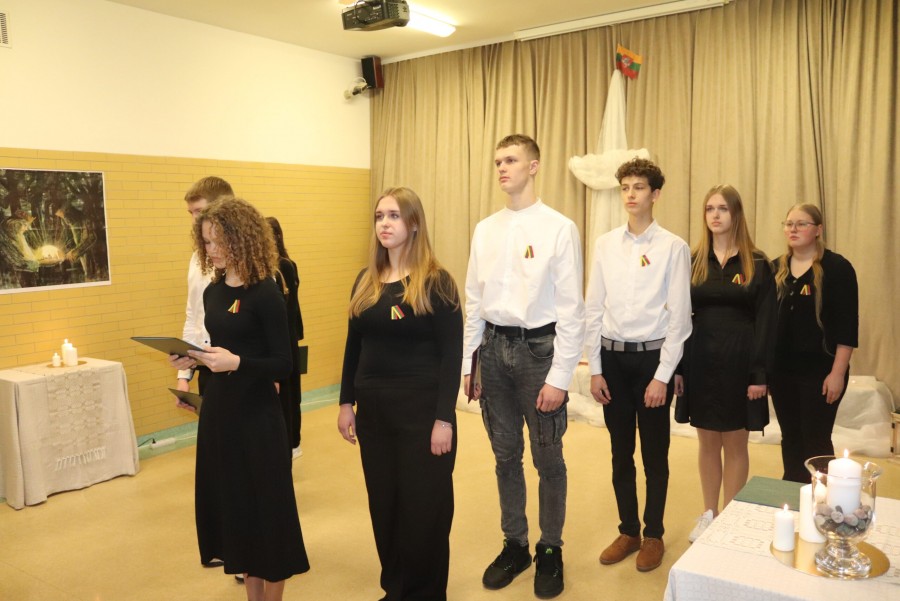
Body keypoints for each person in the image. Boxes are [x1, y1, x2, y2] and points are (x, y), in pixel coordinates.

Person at [463, 134, 584, 599]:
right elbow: (474, 302)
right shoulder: (485, 229)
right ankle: (515, 544)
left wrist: (560, 377)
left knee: (548, 458)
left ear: (533, 166)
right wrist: (470, 364)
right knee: (505, 455)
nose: (502, 168)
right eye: (498, 161)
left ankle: (550, 548)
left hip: (539, 353)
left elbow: (571, 310)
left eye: (511, 160)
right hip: (493, 350)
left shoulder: (559, 228)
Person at [170, 197, 309, 601]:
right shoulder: (214, 292)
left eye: (216, 241)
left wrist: (238, 363)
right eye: (205, 241)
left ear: (240, 239)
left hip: (257, 415)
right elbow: (216, 347)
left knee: (268, 514)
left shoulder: (265, 292)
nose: (209, 249)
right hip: (221, 412)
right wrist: (191, 359)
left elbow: (283, 363)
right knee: (239, 514)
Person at [338, 187, 462, 601]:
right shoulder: (365, 281)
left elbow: (452, 355)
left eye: (393, 216)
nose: (384, 224)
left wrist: (444, 419)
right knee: (385, 507)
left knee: (424, 511)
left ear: (413, 224)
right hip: (375, 415)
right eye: (379, 216)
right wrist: (345, 402)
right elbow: (354, 346)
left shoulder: (437, 281)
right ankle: (396, 590)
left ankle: (426, 594)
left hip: (422, 415)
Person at [584, 157, 691, 573]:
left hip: (651, 361)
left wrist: (662, 376)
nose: (630, 194)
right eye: (625, 187)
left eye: (639, 187)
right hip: (612, 359)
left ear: (655, 194)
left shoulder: (673, 247)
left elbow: (680, 319)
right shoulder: (605, 244)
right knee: (619, 452)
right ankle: (628, 530)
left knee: (655, 455)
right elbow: (593, 308)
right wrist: (595, 368)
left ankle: (654, 534)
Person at [674, 184, 776, 542]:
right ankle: (709, 514)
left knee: (735, 443)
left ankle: (730, 517)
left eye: (722, 209)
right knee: (706, 443)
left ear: (736, 214)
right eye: (709, 209)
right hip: (700, 359)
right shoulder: (692, 261)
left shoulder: (757, 263)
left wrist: (759, 374)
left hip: (740, 362)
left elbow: (767, 322)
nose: (715, 215)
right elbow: (679, 318)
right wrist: (678, 369)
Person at [770, 204, 858, 482]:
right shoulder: (775, 268)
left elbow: (847, 328)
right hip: (782, 371)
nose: (793, 229)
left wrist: (837, 373)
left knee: (815, 439)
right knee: (791, 437)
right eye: (789, 224)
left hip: (821, 371)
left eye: (802, 224)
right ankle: (793, 494)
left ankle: (823, 499)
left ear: (818, 230)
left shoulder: (837, 268)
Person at [174, 176, 234, 400]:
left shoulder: (248, 264)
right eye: (191, 213)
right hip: (206, 366)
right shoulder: (197, 259)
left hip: (238, 368)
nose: (194, 220)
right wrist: (184, 374)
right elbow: (193, 315)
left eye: (199, 211)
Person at [267, 216, 305, 460]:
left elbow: (289, 310)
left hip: (287, 339)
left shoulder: (285, 266)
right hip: (277, 342)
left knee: (290, 394)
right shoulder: (261, 268)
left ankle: (293, 442)